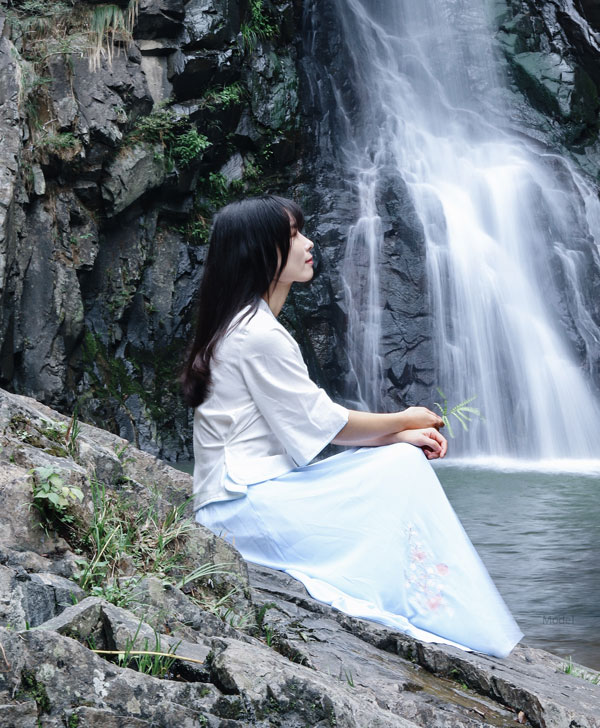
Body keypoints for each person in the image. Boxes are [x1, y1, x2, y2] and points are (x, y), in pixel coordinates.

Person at [181, 195, 523, 658]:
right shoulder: (257, 335)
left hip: (242, 495)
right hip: (242, 508)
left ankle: (421, 600)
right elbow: (325, 424)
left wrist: (395, 435)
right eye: (293, 236)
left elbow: (311, 423)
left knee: (395, 460)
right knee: (399, 468)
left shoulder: (242, 325)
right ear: (260, 252)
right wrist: (403, 420)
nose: (309, 243)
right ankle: (424, 606)